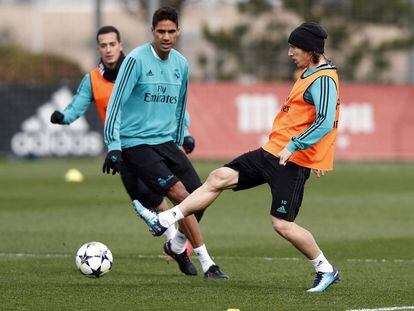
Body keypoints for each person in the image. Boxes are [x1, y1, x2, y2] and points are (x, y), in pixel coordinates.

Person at [137, 22, 341, 292]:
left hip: (290, 160)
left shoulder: (324, 79)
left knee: (282, 224)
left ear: (312, 50)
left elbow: (326, 121)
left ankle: (325, 269)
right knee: (218, 177)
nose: (290, 53)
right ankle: (164, 219)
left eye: (295, 48)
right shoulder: (309, 72)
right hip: (271, 152)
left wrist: (299, 148)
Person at [49, 25, 195, 273]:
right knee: (144, 199)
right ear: (98, 49)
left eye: (112, 44)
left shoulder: (139, 66)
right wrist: (62, 117)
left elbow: (169, 103)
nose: (108, 49)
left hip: (151, 144)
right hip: (121, 150)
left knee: (163, 194)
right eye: (103, 45)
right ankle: (176, 245)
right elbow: (77, 107)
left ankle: (180, 249)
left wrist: (186, 133)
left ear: (120, 46)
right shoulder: (93, 80)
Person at [102, 7, 228, 279]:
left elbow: (180, 106)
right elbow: (115, 105)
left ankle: (176, 244)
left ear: (178, 32)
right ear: (152, 32)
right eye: (161, 31)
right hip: (135, 144)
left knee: (201, 197)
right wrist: (113, 145)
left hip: (166, 142)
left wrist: (184, 133)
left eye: (171, 31)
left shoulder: (181, 64)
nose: (167, 36)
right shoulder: (135, 60)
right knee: (182, 196)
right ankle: (208, 264)